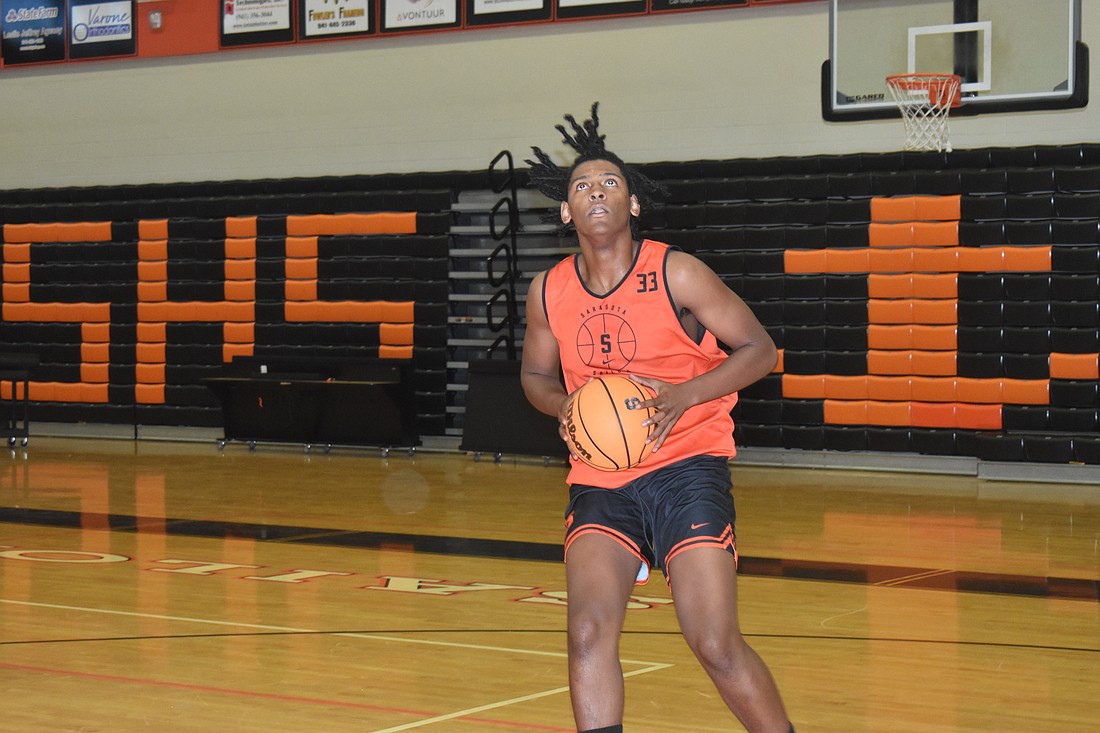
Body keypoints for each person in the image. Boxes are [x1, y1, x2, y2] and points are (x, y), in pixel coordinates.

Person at [519, 103, 796, 733]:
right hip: (600, 475)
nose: (596, 192)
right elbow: (535, 378)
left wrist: (684, 395)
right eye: (581, 186)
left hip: (687, 466)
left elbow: (761, 351)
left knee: (714, 643)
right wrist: (565, 406)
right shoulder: (547, 291)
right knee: (587, 634)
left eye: (611, 183)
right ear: (566, 211)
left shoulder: (676, 272)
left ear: (634, 204)